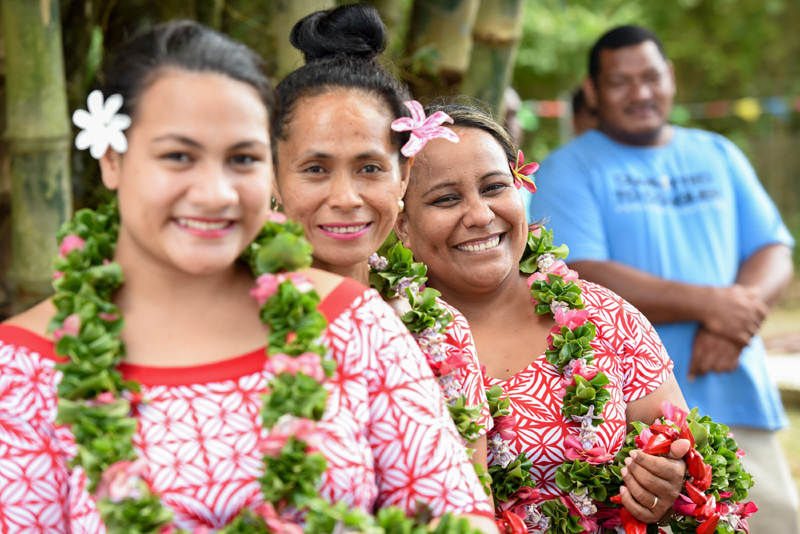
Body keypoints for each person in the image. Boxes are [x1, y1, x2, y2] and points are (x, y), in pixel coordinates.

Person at [0, 21, 495, 533]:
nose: (216, 193)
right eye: (178, 157)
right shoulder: (24, 366)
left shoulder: (353, 327)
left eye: (241, 158)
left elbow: (457, 520)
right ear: (111, 158)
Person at [530, 25, 798, 533]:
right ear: (592, 91)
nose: (641, 93)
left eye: (651, 77)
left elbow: (772, 247)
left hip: (736, 388)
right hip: (632, 420)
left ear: (670, 77)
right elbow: (581, 275)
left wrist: (732, 321)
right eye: (620, 82)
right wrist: (713, 306)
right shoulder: (568, 169)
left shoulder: (717, 152)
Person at [396, 101, 691, 533]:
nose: (479, 215)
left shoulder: (606, 316)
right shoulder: (384, 336)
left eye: (494, 187)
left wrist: (667, 485)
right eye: (445, 198)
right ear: (402, 224)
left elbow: (682, 458)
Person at [272, 2, 492, 472]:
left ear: (404, 175)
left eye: (370, 168)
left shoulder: (440, 332)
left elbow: (471, 499)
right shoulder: (226, 314)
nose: (347, 198)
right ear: (273, 176)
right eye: (315, 169)